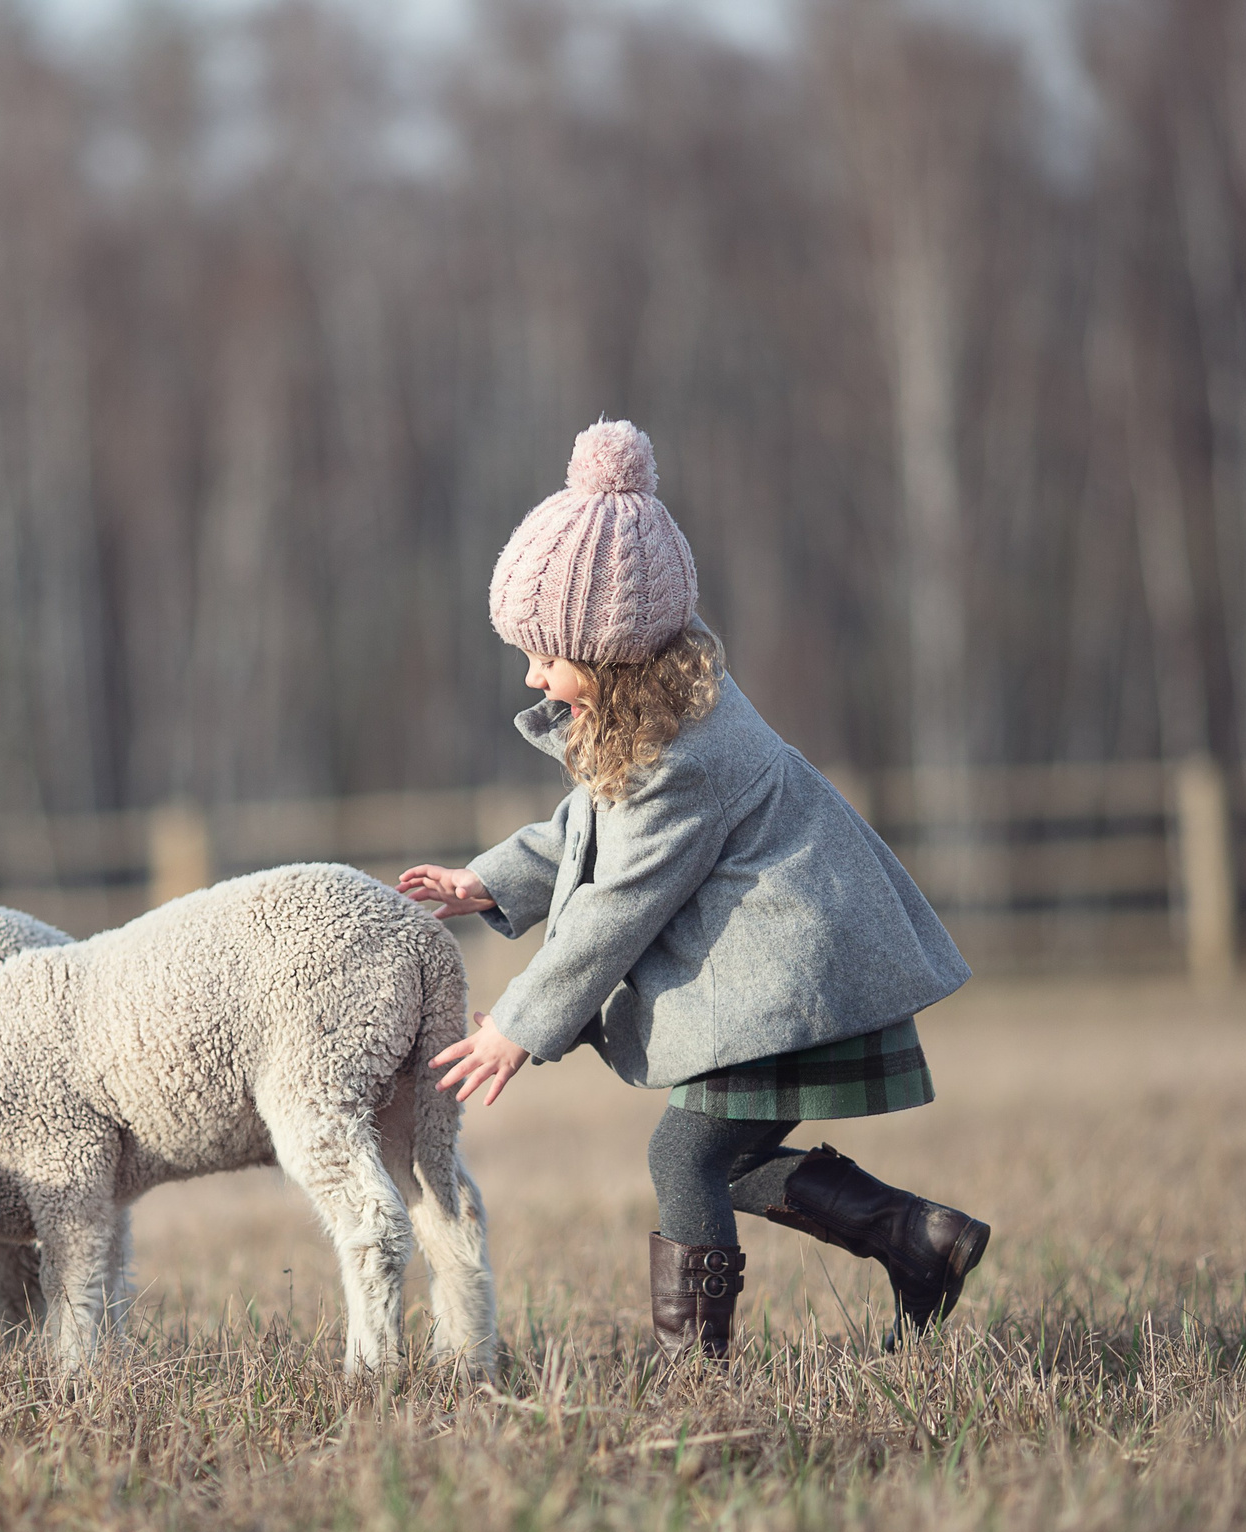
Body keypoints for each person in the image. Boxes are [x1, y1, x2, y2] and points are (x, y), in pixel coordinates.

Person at [398, 419, 988, 1361]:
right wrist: (489, 880)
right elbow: (590, 830)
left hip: (790, 979)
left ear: (609, 649)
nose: (532, 674)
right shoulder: (668, 712)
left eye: (546, 654)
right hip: (778, 973)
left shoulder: (681, 760)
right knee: (727, 1158)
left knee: (685, 1156)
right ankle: (918, 1239)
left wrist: (517, 1025)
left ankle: (696, 1370)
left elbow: (614, 909)